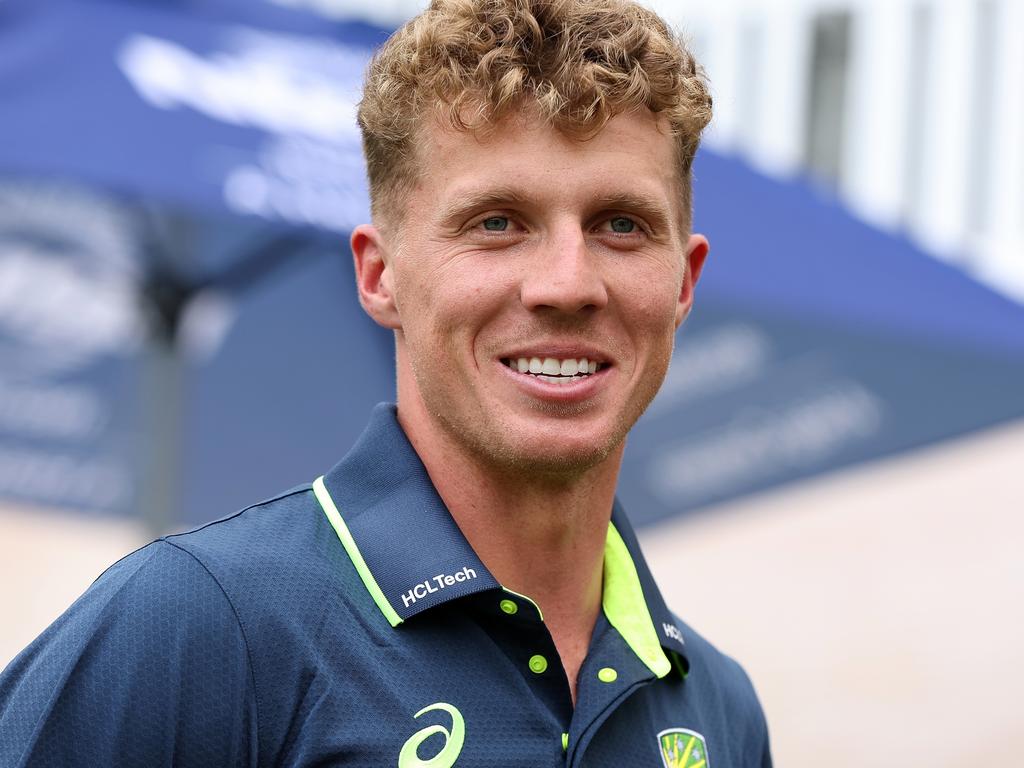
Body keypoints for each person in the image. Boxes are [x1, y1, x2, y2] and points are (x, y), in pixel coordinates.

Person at [0, 0, 772, 765]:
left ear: (683, 281)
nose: (567, 285)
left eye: (621, 224)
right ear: (379, 275)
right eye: (497, 222)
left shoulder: (718, 712)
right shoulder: (198, 626)